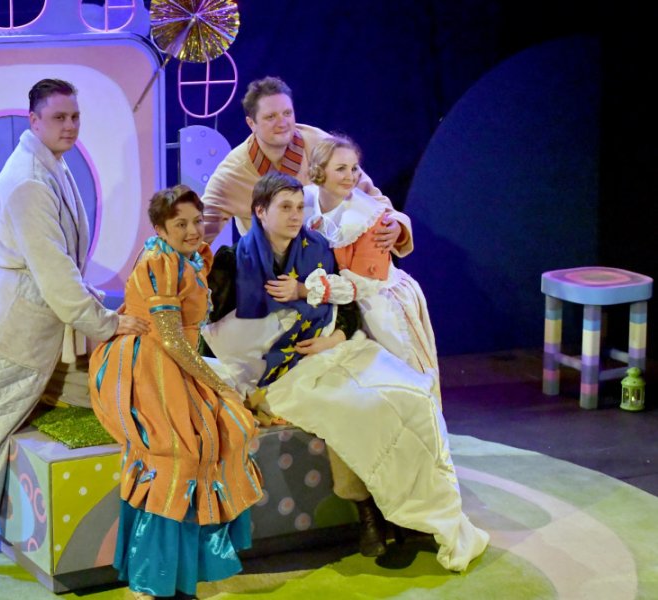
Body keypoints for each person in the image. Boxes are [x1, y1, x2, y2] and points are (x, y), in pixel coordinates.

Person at [202, 172, 488, 571]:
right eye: (285, 208)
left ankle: (420, 516)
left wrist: (333, 338)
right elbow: (211, 335)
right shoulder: (233, 261)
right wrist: (244, 380)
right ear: (260, 212)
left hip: (336, 350)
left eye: (299, 207)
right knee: (358, 409)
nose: (295, 215)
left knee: (412, 395)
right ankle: (369, 510)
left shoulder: (318, 247)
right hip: (284, 374)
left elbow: (347, 307)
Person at [0, 79, 149, 583]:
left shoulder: (53, 164)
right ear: (34, 120)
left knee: (93, 396)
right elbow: (55, 272)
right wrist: (106, 323)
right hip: (14, 324)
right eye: (59, 118)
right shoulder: (28, 180)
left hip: (46, 324)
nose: (70, 126)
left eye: (75, 117)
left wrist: (98, 311)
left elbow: (63, 267)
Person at [89, 185, 263, 600]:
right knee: (178, 456)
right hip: (146, 364)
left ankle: (189, 569)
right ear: (160, 229)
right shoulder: (158, 261)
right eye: (180, 224)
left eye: (196, 221)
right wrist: (218, 384)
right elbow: (169, 338)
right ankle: (151, 579)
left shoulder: (190, 256)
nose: (192, 230)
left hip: (175, 358)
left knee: (230, 431)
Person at [200, 76, 412, 263]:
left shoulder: (321, 145)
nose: (282, 123)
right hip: (268, 274)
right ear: (251, 123)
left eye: (287, 113)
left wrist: (396, 224)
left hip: (334, 264)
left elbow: (368, 193)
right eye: (271, 117)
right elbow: (197, 232)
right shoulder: (232, 173)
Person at [304, 134, 441, 400]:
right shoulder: (307, 201)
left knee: (403, 378)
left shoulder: (367, 217)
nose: (350, 176)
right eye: (341, 168)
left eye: (354, 168)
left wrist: (305, 290)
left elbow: (362, 285)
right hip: (342, 306)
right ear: (320, 171)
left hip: (380, 304)